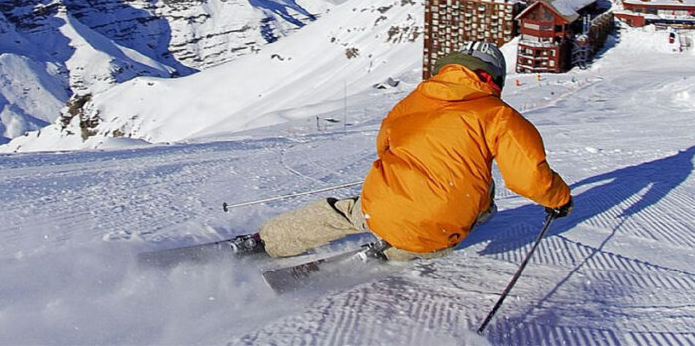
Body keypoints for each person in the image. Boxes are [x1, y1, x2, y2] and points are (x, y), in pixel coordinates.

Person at [244, 41, 573, 261]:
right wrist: (559, 200)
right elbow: (528, 177)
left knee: (347, 212)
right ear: (493, 78)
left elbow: (384, 146)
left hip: (382, 207)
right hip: (443, 225)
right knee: (476, 203)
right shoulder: (500, 116)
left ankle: (266, 242)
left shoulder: (412, 101)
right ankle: (389, 254)